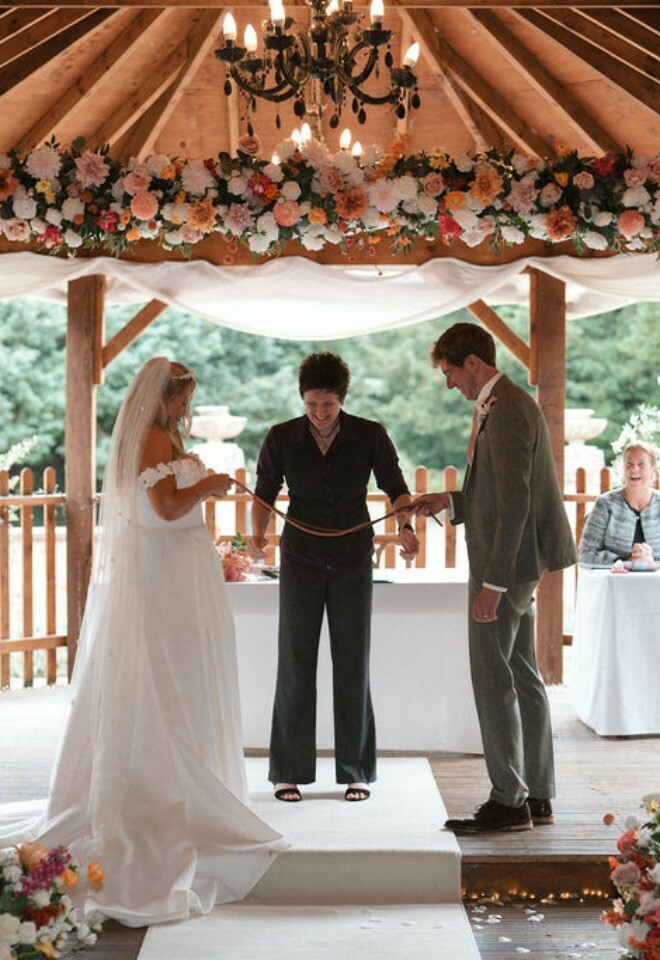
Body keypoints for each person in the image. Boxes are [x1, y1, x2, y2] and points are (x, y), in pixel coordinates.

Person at [0, 357, 287, 925]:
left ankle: (191, 777)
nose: (185, 408)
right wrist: (206, 484)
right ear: (164, 398)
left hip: (184, 571)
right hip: (166, 575)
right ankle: (160, 790)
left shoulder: (168, 435)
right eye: (182, 399)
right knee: (166, 680)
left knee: (186, 678)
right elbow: (165, 507)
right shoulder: (154, 437)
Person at [410, 323, 576, 835]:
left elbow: (516, 503)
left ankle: (509, 801)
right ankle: (537, 791)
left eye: (450, 373)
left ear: (473, 365)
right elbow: (500, 494)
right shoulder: (508, 404)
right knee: (524, 675)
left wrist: (494, 584)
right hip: (523, 565)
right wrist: (452, 501)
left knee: (492, 679)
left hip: (506, 568)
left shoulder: (504, 412)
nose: (450, 384)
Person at [248, 352, 419, 803]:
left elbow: (396, 485)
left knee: (352, 662)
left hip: (351, 557)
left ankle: (356, 771)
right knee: (295, 664)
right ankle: (288, 771)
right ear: (303, 400)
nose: (321, 414)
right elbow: (263, 492)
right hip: (300, 557)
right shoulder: (281, 437)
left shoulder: (370, 434)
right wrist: (256, 538)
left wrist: (406, 528)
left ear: (342, 399)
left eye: (328, 405)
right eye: (312, 404)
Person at [578, 441, 660, 565]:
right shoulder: (605, 504)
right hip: (614, 582)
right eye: (629, 464)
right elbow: (585, 553)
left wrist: (652, 562)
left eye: (641, 464)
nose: (634, 469)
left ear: (653, 470)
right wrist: (624, 561)